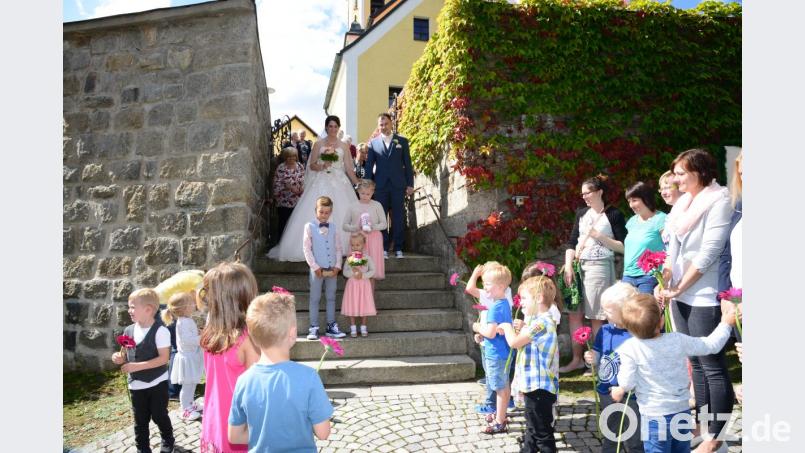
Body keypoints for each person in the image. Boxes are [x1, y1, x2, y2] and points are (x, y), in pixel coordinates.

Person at [657, 148, 734, 453]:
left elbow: (709, 252)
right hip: (679, 291)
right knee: (696, 363)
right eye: (674, 173)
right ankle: (702, 424)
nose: (675, 179)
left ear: (700, 172)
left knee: (712, 364)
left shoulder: (719, 200)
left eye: (680, 173)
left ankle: (716, 436)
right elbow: (671, 249)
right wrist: (665, 280)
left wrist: (680, 286)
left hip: (704, 291)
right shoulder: (683, 204)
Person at [611, 294, 737, 453]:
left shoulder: (629, 348)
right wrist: (726, 324)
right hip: (681, 412)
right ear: (661, 321)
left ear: (628, 328)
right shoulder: (677, 340)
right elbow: (710, 345)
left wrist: (619, 389)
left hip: (654, 417)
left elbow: (627, 383)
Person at [228, 292, 332, 451]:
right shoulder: (308, 377)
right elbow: (323, 433)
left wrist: (267, 435)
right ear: (292, 334)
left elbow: (234, 436)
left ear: (252, 337)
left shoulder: (244, 380)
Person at [267, 115, 359, 261]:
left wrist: (358, 183)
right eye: (330, 126)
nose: (333, 129)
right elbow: (311, 165)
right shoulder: (318, 144)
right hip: (321, 179)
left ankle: (342, 246)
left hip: (340, 182)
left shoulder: (344, 146)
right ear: (326, 127)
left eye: (335, 126)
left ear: (338, 128)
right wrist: (323, 166)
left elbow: (348, 168)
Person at [561, 174, 626, 373]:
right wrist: (569, 265)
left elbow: (624, 246)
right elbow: (572, 242)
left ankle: (598, 364)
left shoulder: (613, 214)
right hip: (578, 267)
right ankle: (577, 360)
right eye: (582, 194)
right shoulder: (581, 213)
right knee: (574, 314)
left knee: (596, 316)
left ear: (599, 192)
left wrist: (600, 236)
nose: (584, 197)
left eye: (588, 192)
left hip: (599, 266)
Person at [198, 262, 261, 453]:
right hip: (239, 425)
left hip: (216, 417)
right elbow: (259, 392)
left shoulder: (211, 333)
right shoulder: (248, 339)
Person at [498, 276, 559, 452]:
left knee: (542, 433)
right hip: (533, 386)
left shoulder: (542, 323)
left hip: (539, 388)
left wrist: (507, 327)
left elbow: (515, 343)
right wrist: (523, 325)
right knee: (532, 429)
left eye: (524, 298)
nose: (520, 303)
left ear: (539, 298)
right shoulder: (536, 321)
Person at [583, 282, 645, 453]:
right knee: (611, 430)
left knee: (633, 434)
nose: (604, 313)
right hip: (606, 390)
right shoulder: (604, 330)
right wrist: (591, 358)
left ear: (626, 311)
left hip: (630, 395)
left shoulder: (637, 334)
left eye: (609, 311)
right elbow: (597, 354)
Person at [111, 288, 174, 453]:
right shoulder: (128, 331)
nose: (129, 311)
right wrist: (118, 357)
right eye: (129, 307)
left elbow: (163, 359)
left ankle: (168, 438)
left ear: (148, 309)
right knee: (140, 421)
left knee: (159, 415)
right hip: (136, 385)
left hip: (156, 382)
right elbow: (124, 353)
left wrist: (136, 366)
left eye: (133, 307)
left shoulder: (161, 331)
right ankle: (142, 448)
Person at [466, 262, 515, 416]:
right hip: (503, 350)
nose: (485, 287)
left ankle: (499, 418)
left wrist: (477, 327)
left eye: (487, 284)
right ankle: (501, 413)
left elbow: (491, 333)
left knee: (498, 385)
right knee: (504, 383)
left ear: (500, 286)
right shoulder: (504, 302)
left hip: (496, 351)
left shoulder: (495, 307)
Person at [364, 112, 415, 258]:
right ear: (378, 126)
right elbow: (369, 165)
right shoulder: (373, 143)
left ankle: (398, 247)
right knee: (381, 218)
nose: (383, 127)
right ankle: (383, 248)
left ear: (391, 123)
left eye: (386, 124)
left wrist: (410, 184)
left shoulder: (402, 141)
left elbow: (408, 165)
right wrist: (368, 184)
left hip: (398, 185)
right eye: (381, 124)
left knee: (398, 217)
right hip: (380, 186)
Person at [303, 196, 347, 340]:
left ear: (331, 212)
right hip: (317, 269)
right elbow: (307, 249)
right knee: (315, 298)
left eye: (327, 212)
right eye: (321, 212)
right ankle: (313, 327)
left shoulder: (333, 227)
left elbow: (339, 248)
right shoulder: (309, 226)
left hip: (332, 268)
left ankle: (331, 326)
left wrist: (338, 266)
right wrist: (314, 267)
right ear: (316, 211)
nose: (324, 215)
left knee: (331, 297)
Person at [160, 291, 204, 421]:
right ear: (184, 308)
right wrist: (202, 337)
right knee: (188, 385)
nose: (194, 304)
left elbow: (189, 337)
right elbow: (187, 341)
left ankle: (190, 404)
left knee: (192, 383)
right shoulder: (185, 322)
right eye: (191, 302)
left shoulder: (186, 320)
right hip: (187, 359)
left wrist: (198, 333)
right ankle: (185, 409)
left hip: (190, 356)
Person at [622, 182, 667, 294]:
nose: (631, 205)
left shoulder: (661, 219)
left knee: (645, 311)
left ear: (646, 198)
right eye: (629, 201)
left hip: (649, 278)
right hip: (627, 276)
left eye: (634, 200)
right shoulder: (632, 221)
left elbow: (670, 249)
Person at [343, 179, 387, 284]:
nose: (365, 196)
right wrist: (355, 227)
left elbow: (384, 224)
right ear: (358, 192)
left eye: (368, 194)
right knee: (357, 268)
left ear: (372, 192)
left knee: (371, 269)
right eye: (362, 193)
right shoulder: (352, 206)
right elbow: (344, 225)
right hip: (357, 240)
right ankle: (357, 295)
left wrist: (373, 227)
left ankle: (369, 297)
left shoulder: (377, 205)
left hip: (374, 239)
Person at [342, 233, 377, 337]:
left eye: (357, 245)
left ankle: (363, 326)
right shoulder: (349, 259)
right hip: (352, 286)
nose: (355, 247)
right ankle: (353, 327)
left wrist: (363, 275)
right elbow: (344, 272)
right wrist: (353, 272)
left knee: (364, 304)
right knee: (352, 303)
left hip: (364, 285)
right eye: (352, 245)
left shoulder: (367, 258)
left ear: (363, 245)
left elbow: (373, 271)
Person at [272, 147, 305, 240]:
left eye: (293, 156)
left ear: (296, 157)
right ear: (285, 157)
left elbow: (304, 179)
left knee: (295, 222)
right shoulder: (281, 167)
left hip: (298, 199)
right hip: (284, 200)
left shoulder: (300, 166)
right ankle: (282, 241)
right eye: (288, 157)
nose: (291, 159)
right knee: (284, 222)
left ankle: (293, 242)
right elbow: (276, 183)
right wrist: (289, 187)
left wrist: (302, 188)